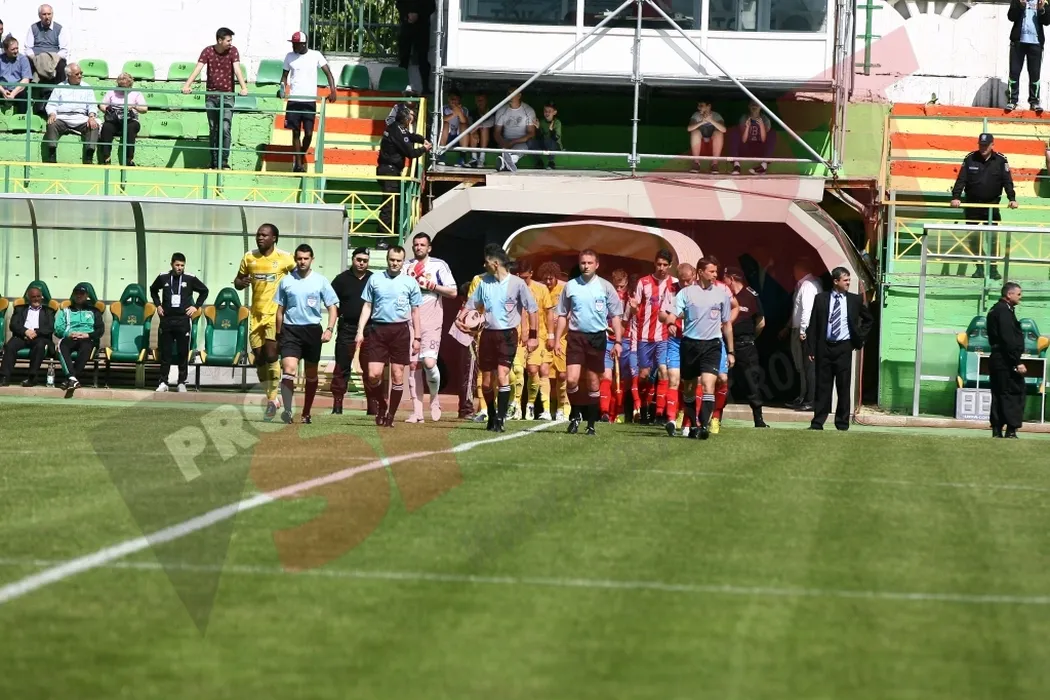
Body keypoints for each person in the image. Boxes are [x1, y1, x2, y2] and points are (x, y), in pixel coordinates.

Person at [459, 245, 538, 432]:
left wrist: (533, 336)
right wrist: (459, 320)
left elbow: (532, 309)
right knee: (487, 382)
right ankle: (492, 414)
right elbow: (471, 305)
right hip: (487, 334)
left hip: (508, 335)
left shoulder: (517, 284)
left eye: (486, 262)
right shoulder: (483, 283)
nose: (483, 265)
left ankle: (501, 419)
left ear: (495, 264)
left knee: (502, 376)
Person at [554, 249, 624, 435]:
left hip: (597, 337)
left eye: (589, 263)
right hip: (576, 337)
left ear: (596, 265)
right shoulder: (570, 286)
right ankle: (575, 415)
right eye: (583, 263)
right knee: (571, 379)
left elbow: (616, 316)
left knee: (593, 381)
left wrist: (618, 342)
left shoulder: (606, 287)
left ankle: (591, 423)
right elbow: (562, 315)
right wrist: (557, 339)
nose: (586, 266)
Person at [663, 258, 735, 439]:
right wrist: (670, 322)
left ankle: (703, 426)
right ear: (700, 272)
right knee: (689, 388)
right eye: (711, 271)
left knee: (708, 385)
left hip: (712, 345)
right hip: (690, 344)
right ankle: (693, 425)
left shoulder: (722, 295)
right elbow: (671, 314)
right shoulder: (685, 293)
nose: (715, 275)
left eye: (716, 271)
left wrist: (731, 351)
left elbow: (727, 324)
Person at [234, 223, 296, 421]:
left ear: (274, 238)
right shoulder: (249, 257)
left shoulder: (285, 258)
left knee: (271, 355)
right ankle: (272, 398)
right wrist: (241, 283)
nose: (260, 238)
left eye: (264, 235)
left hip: (274, 315)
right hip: (256, 315)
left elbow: (298, 278)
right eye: (258, 235)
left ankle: (271, 399)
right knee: (259, 359)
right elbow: (237, 281)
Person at [356, 245, 423, 427]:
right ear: (387, 259)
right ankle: (382, 405)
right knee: (373, 374)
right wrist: (360, 331)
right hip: (378, 329)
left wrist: (417, 337)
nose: (395, 263)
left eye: (398, 260)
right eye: (392, 259)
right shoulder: (375, 279)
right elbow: (367, 306)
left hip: (400, 331)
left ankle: (390, 415)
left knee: (397, 375)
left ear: (403, 262)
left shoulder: (410, 282)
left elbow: (415, 311)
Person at [276, 244, 339, 424]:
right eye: (299, 258)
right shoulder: (286, 281)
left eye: (306, 258)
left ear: (312, 259)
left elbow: (332, 307)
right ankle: (288, 411)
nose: (302, 261)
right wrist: (279, 334)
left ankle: (306, 412)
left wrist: (329, 329)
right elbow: (280, 310)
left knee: (311, 374)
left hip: (312, 331)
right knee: (289, 369)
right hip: (290, 330)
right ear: (295, 259)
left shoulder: (320, 281)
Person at [806, 267, 874, 431]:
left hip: (844, 347)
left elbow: (868, 319)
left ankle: (842, 423)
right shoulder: (821, 299)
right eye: (845, 280)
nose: (848, 283)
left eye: (849, 280)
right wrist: (811, 349)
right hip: (824, 348)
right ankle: (818, 422)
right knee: (823, 387)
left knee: (843, 387)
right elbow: (813, 325)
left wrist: (858, 338)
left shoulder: (854, 300)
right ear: (835, 281)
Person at [405, 232, 457, 422]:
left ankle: (434, 399)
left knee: (429, 363)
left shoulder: (439, 265)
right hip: (410, 319)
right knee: (413, 365)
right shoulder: (405, 266)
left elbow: (453, 291)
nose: (419, 247)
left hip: (432, 319)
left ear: (429, 248)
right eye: (416, 244)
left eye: (422, 244)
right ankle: (417, 412)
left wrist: (431, 285)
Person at [950, 133, 1018, 280]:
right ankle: (979, 268)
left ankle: (993, 269)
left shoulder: (1000, 160)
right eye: (981, 145)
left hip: (991, 206)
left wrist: (1012, 199)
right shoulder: (970, 159)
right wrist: (956, 197)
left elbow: (1007, 181)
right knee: (973, 239)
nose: (983, 148)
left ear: (992, 145)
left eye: (986, 145)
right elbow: (961, 180)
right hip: (972, 205)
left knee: (992, 239)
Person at [182, 28, 250, 170]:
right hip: (211, 96)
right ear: (220, 40)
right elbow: (198, 68)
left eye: (231, 40)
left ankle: (223, 161)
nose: (231, 43)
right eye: (228, 40)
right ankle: (213, 161)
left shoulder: (233, 51)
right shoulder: (208, 51)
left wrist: (243, 87)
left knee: (225, 128)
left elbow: (237, 70)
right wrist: (187, 85)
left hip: (227, 96)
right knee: (214, 128)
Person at [150, 253, 208, 393]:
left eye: (182, 265)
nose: (179, 268)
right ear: (172, 264)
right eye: (177, 265)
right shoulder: (163, 277)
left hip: (183, 320)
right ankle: (163, 382)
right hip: (167, 320)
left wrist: (196, 306)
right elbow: (153, 290)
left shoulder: (190, 278)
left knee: (183, 353)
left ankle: (181, 382)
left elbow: (204, 291)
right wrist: (158, 305)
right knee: (166, 353)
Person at [280, 32, 338, 173]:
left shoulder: (315, 55)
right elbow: (284, 76)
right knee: (295, 133)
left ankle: (299, 156)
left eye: (296, 44)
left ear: (303, 44)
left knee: (309, 134)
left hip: (309, 101)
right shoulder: (289, 56)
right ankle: (298, 165)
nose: (293, 46)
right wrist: (281, 88)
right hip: (294, 100)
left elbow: (328, 73)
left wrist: (333, 90)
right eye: (293, 44)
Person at [376, 104, 431, 245]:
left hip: (388, 170)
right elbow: (411, 153)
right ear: (406, 120)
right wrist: (424, 149)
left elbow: (409, 136)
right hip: (389, 172)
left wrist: (421, 139)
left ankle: (390, 234)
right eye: (410, 118)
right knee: (389, 205)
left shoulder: (395, 127)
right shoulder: (398, 131)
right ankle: (382, 238)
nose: (411, 120)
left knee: (394, 204)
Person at [632, 249, 676, 424]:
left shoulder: (674, 284)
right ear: (654, 264)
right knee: (644, 375)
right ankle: (643, 407)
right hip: (644, 336)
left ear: (670, 266)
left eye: (665, 265)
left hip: (665, 336)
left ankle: (658, 413)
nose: (661, 268)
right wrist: (633, 308)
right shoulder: (643, 282)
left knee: (664, 372)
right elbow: (635, 308)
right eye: (659, 264)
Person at [330, 247, 373, 415]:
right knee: (342, 367)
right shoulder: (341, 279)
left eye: (365, 260)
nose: (361, 263)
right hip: (347, 328)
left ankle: (372, 406)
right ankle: (337, 405)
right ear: (353, 259)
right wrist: (331, 325)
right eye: (358, 259)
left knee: (369, 368)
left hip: (369, 329)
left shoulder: (373, 279)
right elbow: (331, 303)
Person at [725, 267, 768, 427]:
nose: (722, 281)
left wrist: (751, 338)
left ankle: (759, 419)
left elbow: (761, 322)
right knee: (723, 382)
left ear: (731, 278)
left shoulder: (751, 295)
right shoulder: (724, 294)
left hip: (746, 346)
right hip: (726, 345)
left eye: (724, 278)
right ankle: (715, 418)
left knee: (752, 382)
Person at [986, 282, 1027, 438]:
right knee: (1013, 393)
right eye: (1018, 294)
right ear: (1009, 295)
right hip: (1005, 360)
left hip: (997, 358)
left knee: (998, 393)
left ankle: (997, 429)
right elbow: (1007, 339)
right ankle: (1011, 429)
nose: (1020, 297)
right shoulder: (1004, 312)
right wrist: (1017, 361)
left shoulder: (996, 309)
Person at [517, 259, 556, 420]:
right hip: (517, 335)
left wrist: (551, 335)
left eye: (525, 277)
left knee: (535, 370)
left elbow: (549, 312)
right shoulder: (512, 288)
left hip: (539, 335)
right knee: (516, 371)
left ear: (531, 274)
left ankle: (535, 406)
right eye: (520, 277)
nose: (523, 281)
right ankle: (516, 407)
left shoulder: (541, 289)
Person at [658, 263, 695, 434]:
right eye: (682, 281)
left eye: (688, 280)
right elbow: (662, 314)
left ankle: (688, 423)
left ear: (694, 276)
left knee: (691, 383)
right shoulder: (671, 289)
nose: (685, 284)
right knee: (673, 378)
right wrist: (670, 321)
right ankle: (671, 420)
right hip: (675, 341)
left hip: (694, 341)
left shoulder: (700, 291)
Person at [42, 63, 99, 164]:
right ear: (68, 75)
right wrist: (52, 114)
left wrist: (91, 116)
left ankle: (89, 156)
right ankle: (51, 154)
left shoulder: (87, 87)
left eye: (81, 73)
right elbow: (51, 104)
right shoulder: (60, 87)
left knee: (94, 125)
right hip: (62, 117)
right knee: (51, 123)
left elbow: (92, 105)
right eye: (77, 74)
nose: (80, 76)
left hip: (80, 117)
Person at [784, 258, 820, 411]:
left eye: (795, 270)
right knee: (803, 366)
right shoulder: (808, 284)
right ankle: (803, 396)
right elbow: (797, 310)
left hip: (803, 330)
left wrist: (803, 330)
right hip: (799, 328)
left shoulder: (807, 286)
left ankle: (806, 398)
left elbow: (807, 309)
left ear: (800, 270)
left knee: (804, 366)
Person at [0, 287, 54, 387]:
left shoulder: (48, 311)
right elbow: (13, 325)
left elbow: (50, 328)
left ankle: (32, 378)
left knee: (40, 345)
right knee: (10, 346)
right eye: (33, 297)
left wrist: (35, 333)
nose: (36, 299)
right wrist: (25, 331)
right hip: (22, 336)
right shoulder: (19, 309)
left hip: (39, 337)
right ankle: (4, 377)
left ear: (41, 297)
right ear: (29, 298)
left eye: (38, 296)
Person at [54, 283, 104, 391]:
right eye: (76, 293)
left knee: (86, 348)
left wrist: (87, 335)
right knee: (62, 345)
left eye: (82, 293)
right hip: (70, 337)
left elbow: (100, 330)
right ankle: (73, 379)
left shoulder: (94, 311)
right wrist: (68, 334)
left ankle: (70, 378)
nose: (79, 295)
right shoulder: (65, 311)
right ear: (73, 295)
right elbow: (57, 329)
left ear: (87, 296)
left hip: (87, 339)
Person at [601, 268, 634, 422]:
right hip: (608, 337)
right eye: (616, 286)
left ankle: (620, 412)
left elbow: (629, 321)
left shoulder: (631, 297)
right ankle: (604, 412)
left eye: (622, 287)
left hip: (625, 340)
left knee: (623, 379)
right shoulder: (605, 296)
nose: (619, 290)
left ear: (627, 284)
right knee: (606, 375)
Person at [538, 261, 571, 419]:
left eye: (550, 278)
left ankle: (561, 407)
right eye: (545, 279)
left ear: (556, 277)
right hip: (544, 336)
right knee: (543, 371)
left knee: (562, 375)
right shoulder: (540, 288)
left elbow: (574, 309)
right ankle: (546, 409)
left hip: (562, 336)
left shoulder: (565, 288)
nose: (548, 281)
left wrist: (564, 317)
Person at [1006, 0, 1050, 112]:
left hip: (1036, 43)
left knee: (1035, 74)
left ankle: (1034, 102)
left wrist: (1041, 9)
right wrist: (1020, 6)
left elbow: (1047, 21)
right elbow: (1011, 17)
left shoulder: (1043, 1)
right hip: (1018, 42)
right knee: (1014, 72)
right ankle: (1012, 101)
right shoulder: (1017, 1)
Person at [24, 4, 69, 111]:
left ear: (52, 14)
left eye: (49, 14)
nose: (47, 17)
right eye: (44, 14)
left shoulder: (59, 29)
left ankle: (60, 95)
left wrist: (54, 59)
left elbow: (64, 50)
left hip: (54, 58)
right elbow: (27, 48)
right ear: (39, 15)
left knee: (62, 65)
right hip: (37, 57)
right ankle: (27, 95)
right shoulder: (33, 28)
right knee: (26, 62)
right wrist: (35, 59)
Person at [97, 72, 147, 166]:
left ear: (130, 84)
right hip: (114, 120)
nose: (123, 88)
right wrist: (108, 110)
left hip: (130, 120)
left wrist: (134, 106)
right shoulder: (112, 92)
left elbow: (144, 109)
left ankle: (129, 159)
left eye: (125, 86)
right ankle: (106, 157)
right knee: (106, 127)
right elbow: (102, 105)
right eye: (121, 86)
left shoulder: (136, 93)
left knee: (131, 128)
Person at [494, 89, 538, 172]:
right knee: (505, 151)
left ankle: (504, 161)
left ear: (519, 95)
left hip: (521, 141)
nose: (510, 96)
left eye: (513, 93)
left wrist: (513, 142)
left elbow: (531, 133)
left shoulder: (528, 110)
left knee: (524, 146)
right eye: (508, 93)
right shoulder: (501, 110)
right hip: (505, 141)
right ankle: (509, 161)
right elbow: (496, 133)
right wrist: (503, 144)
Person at [397, 0, 435, 91]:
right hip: (407, 26)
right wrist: (407, 15)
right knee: (403, 58)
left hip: (422, 28)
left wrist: (418, 15)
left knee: (423, 58)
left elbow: (431, 6)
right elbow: (399, 4)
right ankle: (400, 86)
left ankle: (425, 88)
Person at [730, 101, 774, 175]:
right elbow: (744, 140)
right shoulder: (745, 118)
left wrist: (761, 126)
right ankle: (736, 165)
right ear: (749, 106)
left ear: (761, 107)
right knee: (734, 131)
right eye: (752, 105)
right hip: (746, 148)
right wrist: (747, 127)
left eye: (757, 105)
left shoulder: (765, 119)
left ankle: (763, 166)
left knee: (772, 133)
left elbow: (764, 140)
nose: (754, 107)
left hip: (760, 149)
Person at [687, 99, 726, 174]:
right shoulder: (696, 115)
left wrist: (711, 120)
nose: (699, 108)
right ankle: (696, 163)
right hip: (700, 143)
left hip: (713, 143)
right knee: (695, 132)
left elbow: (723, 130)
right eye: (698, 106)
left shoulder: (716, 115)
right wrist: (702, 122)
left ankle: (714, 164)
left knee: (719, 133)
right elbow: (689, 128)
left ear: (709, 106)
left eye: (701, 106)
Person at [440, 89, 473, 167]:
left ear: (459, 100)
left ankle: (462, 157)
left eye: (455, 99)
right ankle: (441, 156)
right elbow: (442, 119)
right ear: (448, 99)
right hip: (446, 138)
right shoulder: (443, 108)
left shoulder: (464, 109)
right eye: (451, 99)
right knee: (445, 124)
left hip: (459, 138)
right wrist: (454, 114)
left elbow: (464, 121)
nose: (453, 101)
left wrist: (459, 112)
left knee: (464, 126)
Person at [0, 37, 33, 114]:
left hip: (17, 89)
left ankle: (20, 119)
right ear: (5, 50)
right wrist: (3, 91)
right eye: (13, 49)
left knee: (24, 95)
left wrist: (13, 93)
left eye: (17, 48)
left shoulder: (23, 59)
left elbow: (26, 80)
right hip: (2, 88)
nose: (16, 51)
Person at [471, 92, 495, 167]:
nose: (480, 102)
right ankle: (474, 158)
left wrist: (479, 126)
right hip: (475, 141)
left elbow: (492, 122)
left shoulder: (492, 112)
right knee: (472, 130)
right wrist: (474, 131)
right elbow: (469, 124)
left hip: (489, 142)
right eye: (478, 100)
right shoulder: (473, 113)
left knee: (484, 129)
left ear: (486, 101)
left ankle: (481, 158)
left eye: (482, 100)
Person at [537, 101, 563, 170]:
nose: (547, 113)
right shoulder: (542, 122)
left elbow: (556, 138)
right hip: (545, 145)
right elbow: (539, 138)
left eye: (549, 111)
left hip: (555, 146)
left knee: (548, 141)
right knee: (531, 142)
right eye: (545, 111)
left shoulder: (557, 122)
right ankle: (539, 162)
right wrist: (538, 129)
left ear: (554, 112)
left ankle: (551, 162)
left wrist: (551, 131)